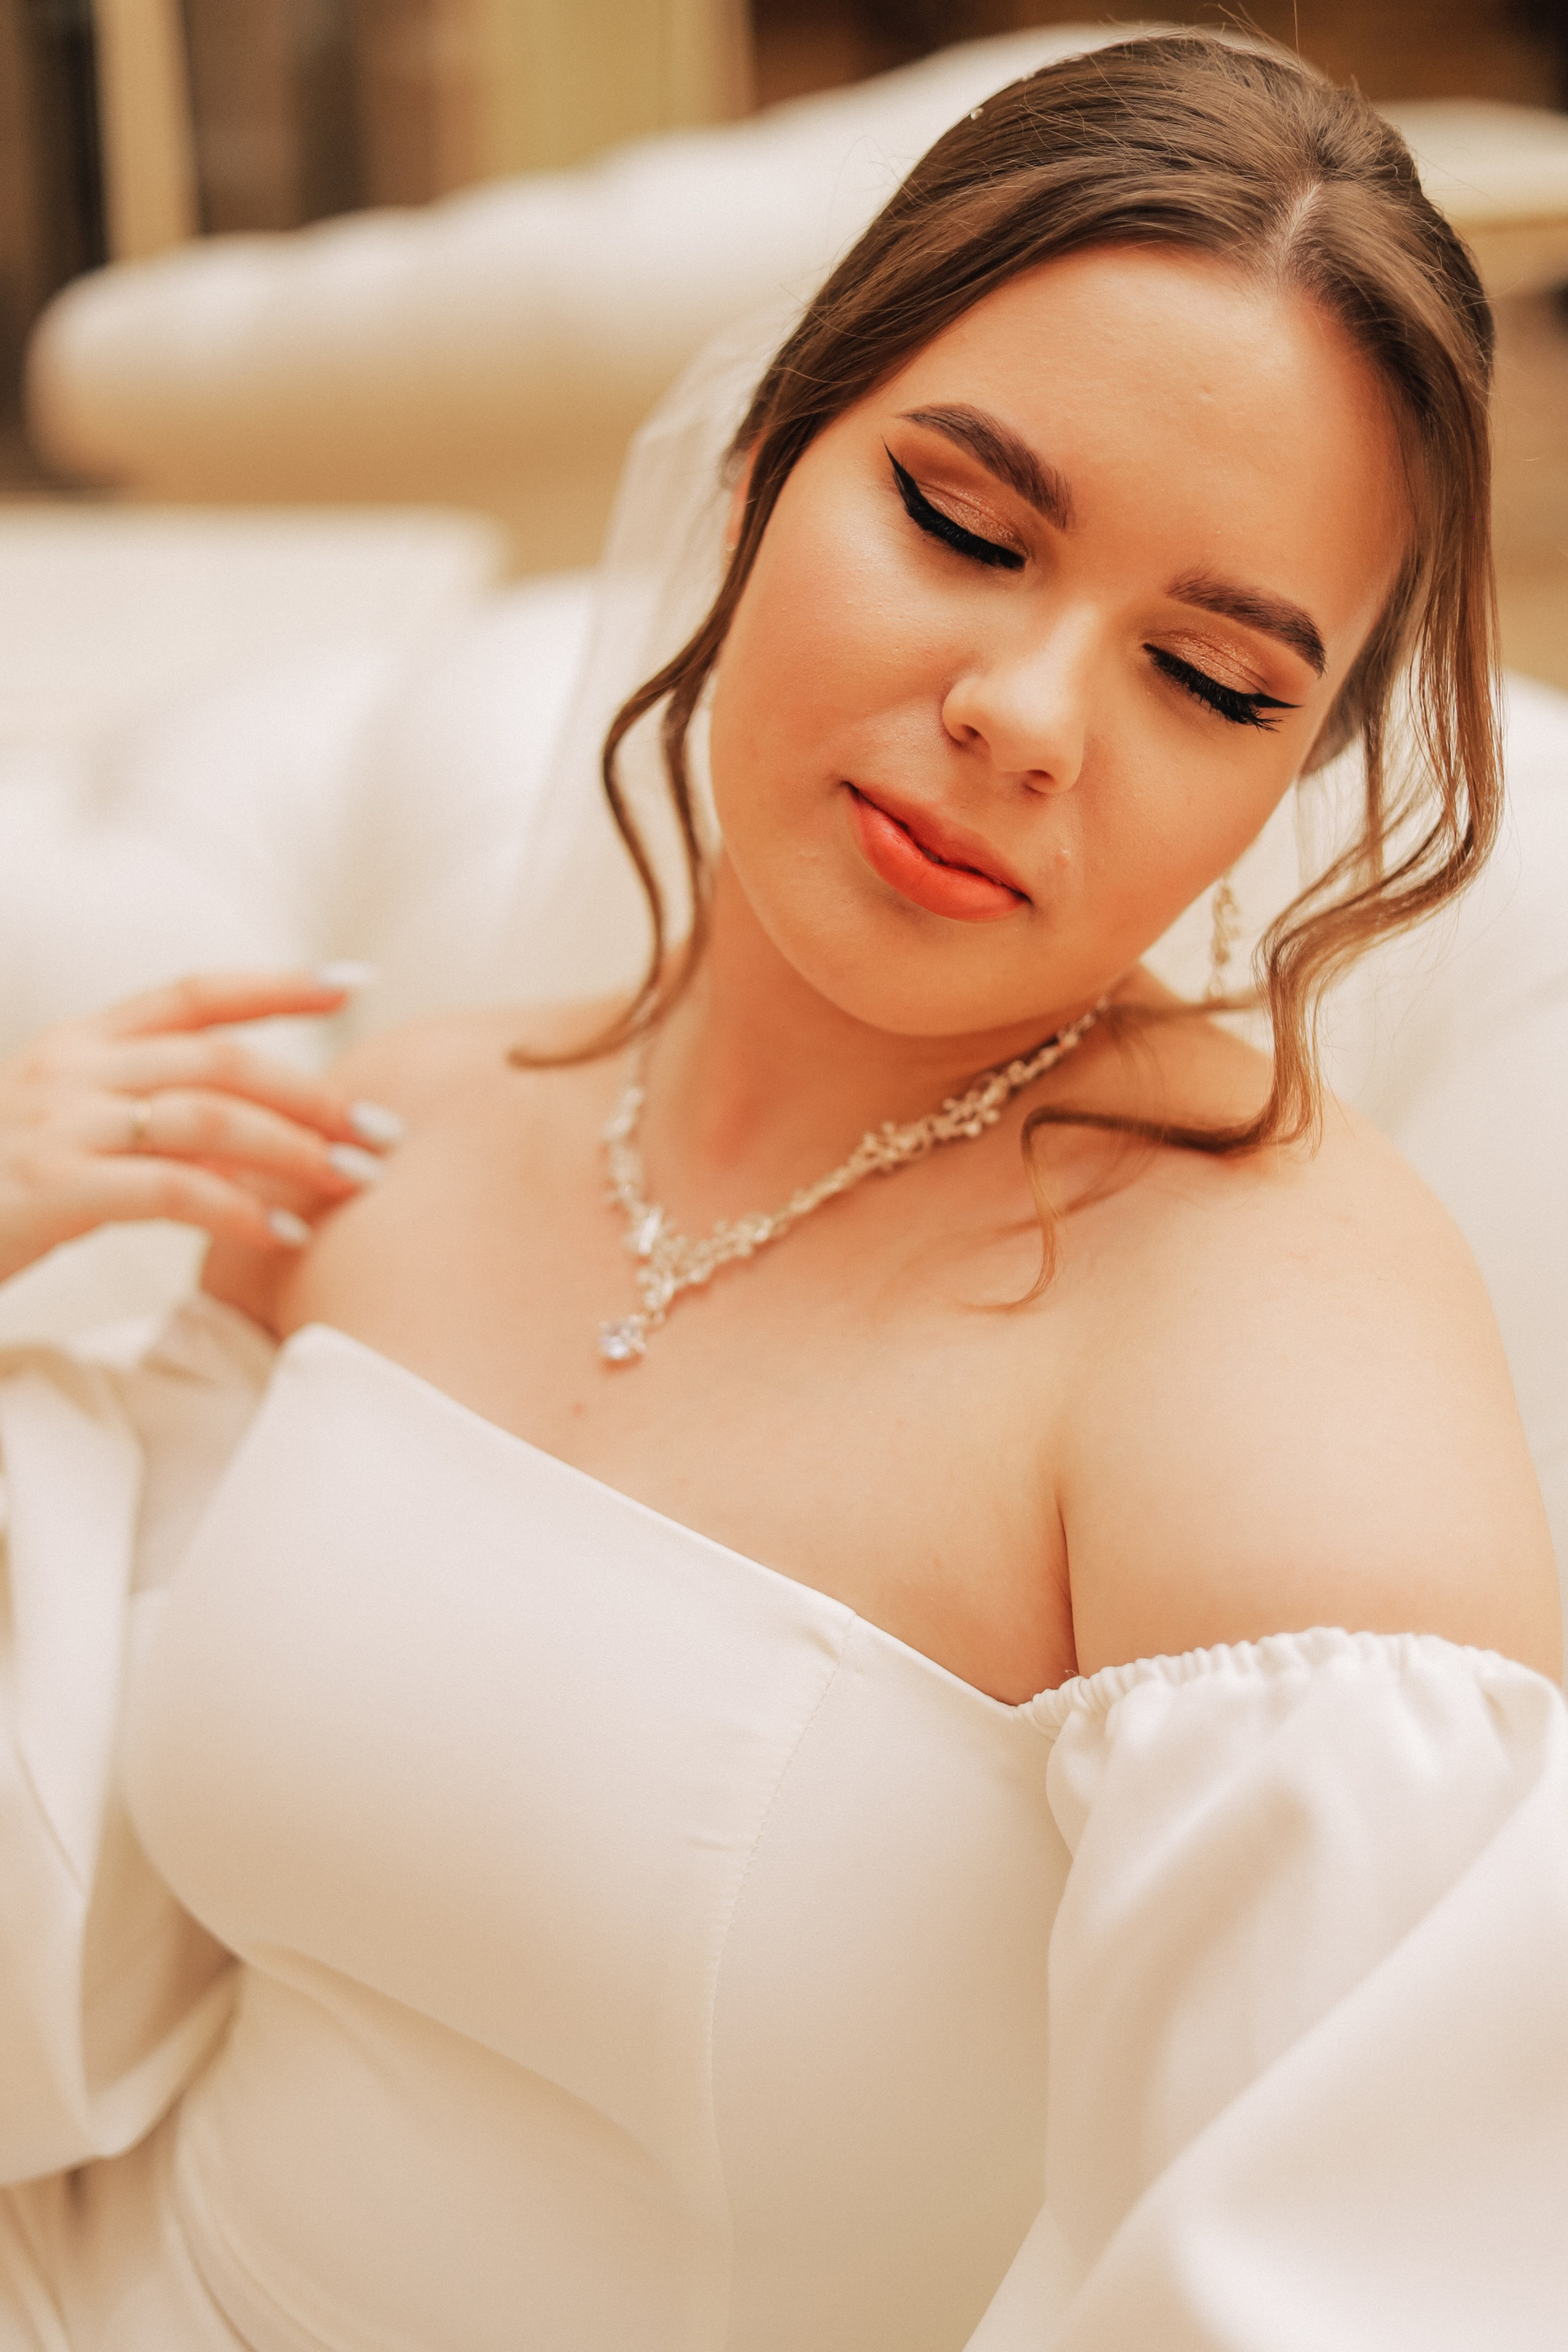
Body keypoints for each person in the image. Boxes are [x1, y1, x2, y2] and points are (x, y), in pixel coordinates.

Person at [2, 31, 1565, 2352]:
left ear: (1290, 784)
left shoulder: (1268, 1346)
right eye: (963, 524)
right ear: (760, 464)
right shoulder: (384, 1137)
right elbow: (71, 1991)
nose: (1029, 711)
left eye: (1211, 677)